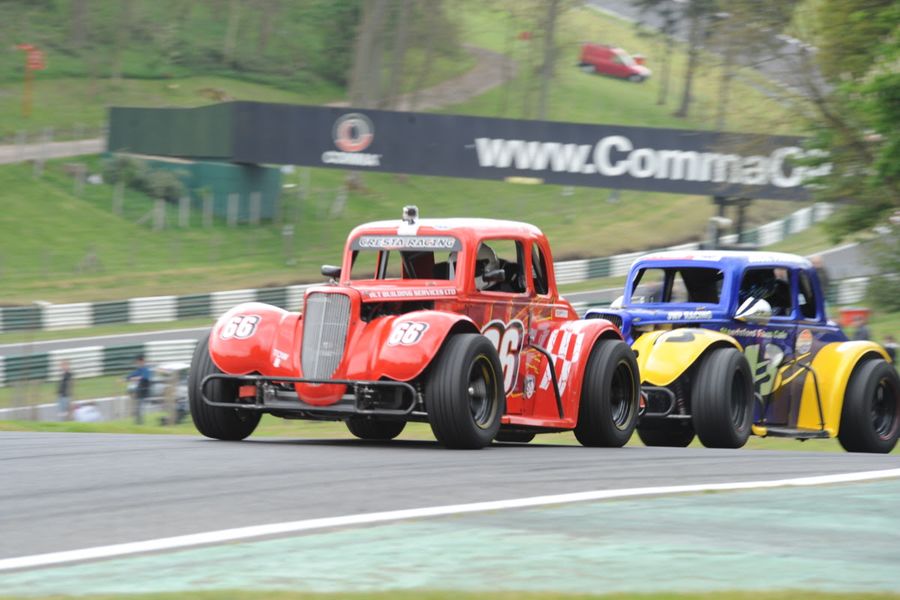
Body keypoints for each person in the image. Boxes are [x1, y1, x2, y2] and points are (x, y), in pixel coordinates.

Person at [126, 355, 152, 424]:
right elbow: (129, 376)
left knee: (140, 409)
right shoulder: (138, 370)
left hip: (144, 392)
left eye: (137, 362)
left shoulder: (146, 370)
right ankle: (138, 423)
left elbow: (144, 378)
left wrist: (134, 378)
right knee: (137, 409)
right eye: (136, 362)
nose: (137, 364)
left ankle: (140, 423)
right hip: (139, 392)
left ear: (142, 361)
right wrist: (124, 379)